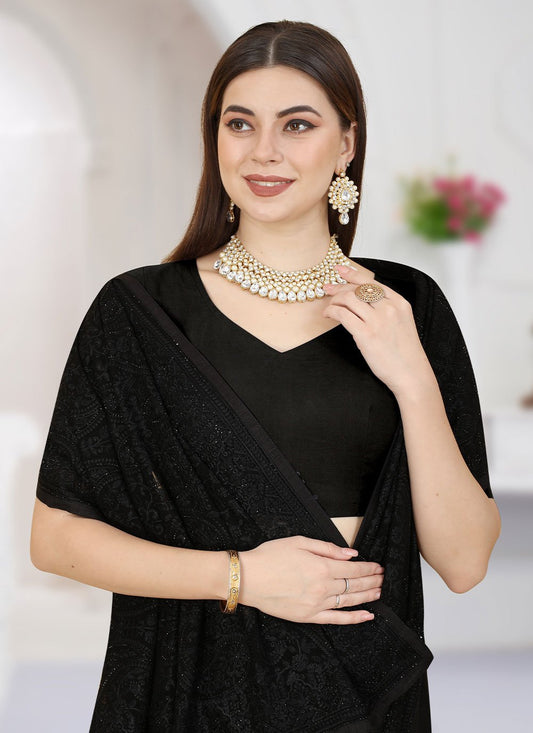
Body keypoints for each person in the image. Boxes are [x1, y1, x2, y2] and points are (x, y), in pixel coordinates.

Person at [30, 20, 500, 733]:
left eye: (297, 125)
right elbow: (57, 538)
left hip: (363, 696)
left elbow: (464, 563)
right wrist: (243, 577)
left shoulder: (407, 307)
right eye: (240, 124)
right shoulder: (139, 313)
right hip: (193, 688)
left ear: (346, 143)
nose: (264, 151)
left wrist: (411, 377)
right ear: (214, 137)